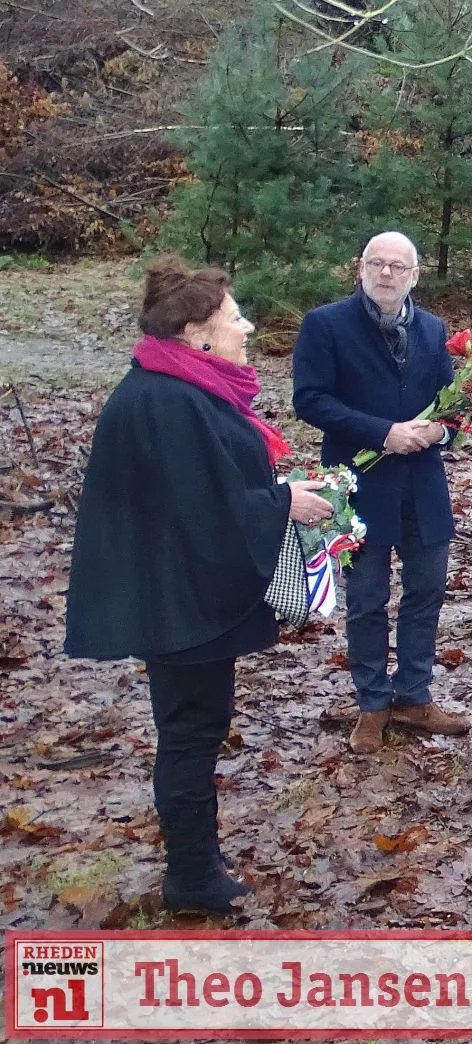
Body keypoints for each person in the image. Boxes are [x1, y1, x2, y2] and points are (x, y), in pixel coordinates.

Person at [66, 258, 335, 913]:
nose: (246, 325)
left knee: (193, 727)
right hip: (178, 602)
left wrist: (273, 496)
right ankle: (191, 878)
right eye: (232, 316)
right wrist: (284, 502)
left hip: (173, 590)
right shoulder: (170, 399)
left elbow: (201, 493)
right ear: (196, 333)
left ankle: (197, 863)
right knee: (190, 731)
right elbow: (204, 511)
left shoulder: (172, 384)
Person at [293, 231, 469, 755]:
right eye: (377, 264)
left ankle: (413, 696)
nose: (387, 274)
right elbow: (310, 399)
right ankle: (372, 702)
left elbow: (453, 403)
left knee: (426, 590)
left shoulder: (433, 329)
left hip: (423, 485)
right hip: (357, 485)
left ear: (415, 275)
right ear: (360, 268)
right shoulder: (326, 325)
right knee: (367, 599)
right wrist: (382, 432)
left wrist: (442, 431)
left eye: (398, 266)